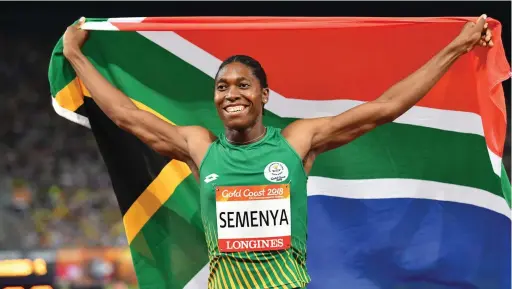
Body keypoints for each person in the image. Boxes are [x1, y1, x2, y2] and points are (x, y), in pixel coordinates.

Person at [62, 15, 494, 289]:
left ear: (264, 95)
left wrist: (458, 45)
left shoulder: (296, 143)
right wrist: (75, 54)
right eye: (221, 87)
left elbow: (384, 108)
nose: (230, 94)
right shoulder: (199, 146)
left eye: (242, 85)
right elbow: (125, 116)